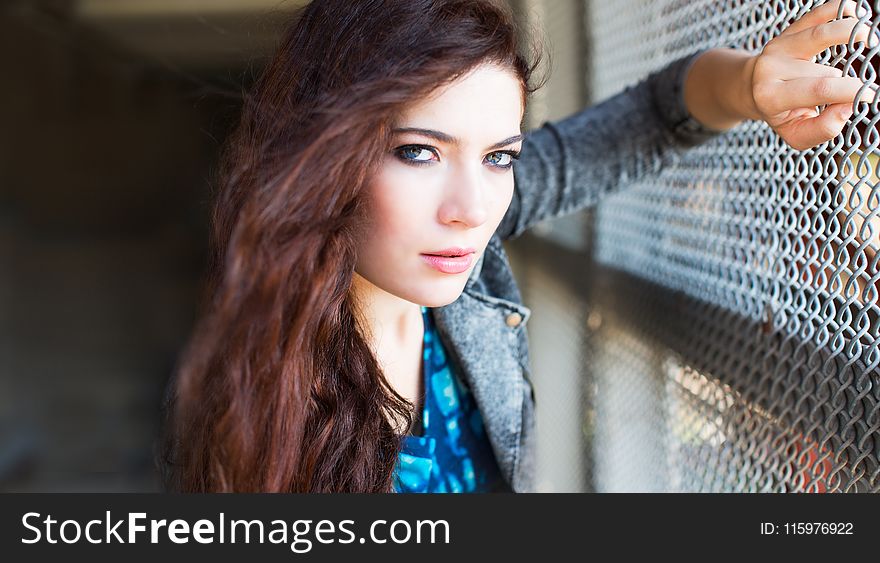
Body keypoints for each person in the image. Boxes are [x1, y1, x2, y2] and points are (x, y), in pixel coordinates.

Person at [156, 0, 875, 492]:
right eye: (416, 151)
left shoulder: (450, 250)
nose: (472, 210)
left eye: (500, 156)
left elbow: (658, 112)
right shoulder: (258, 400)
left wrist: (750, 83)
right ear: (325, 154)